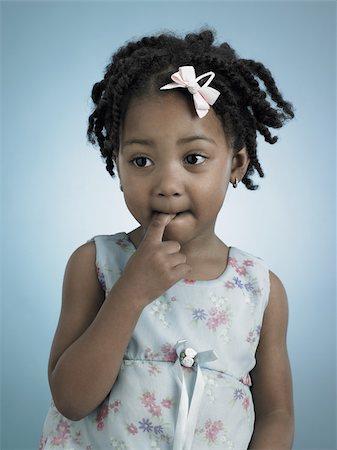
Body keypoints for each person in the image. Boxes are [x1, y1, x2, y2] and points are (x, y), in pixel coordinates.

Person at [40, 29, 295, 450]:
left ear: (236, 163)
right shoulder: (95, 264)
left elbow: (277, 413)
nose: (166, 183)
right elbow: (70, 399)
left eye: (193, 159)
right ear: (118, 168)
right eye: (141, 160)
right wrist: (131, 292)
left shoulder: (260, 290)